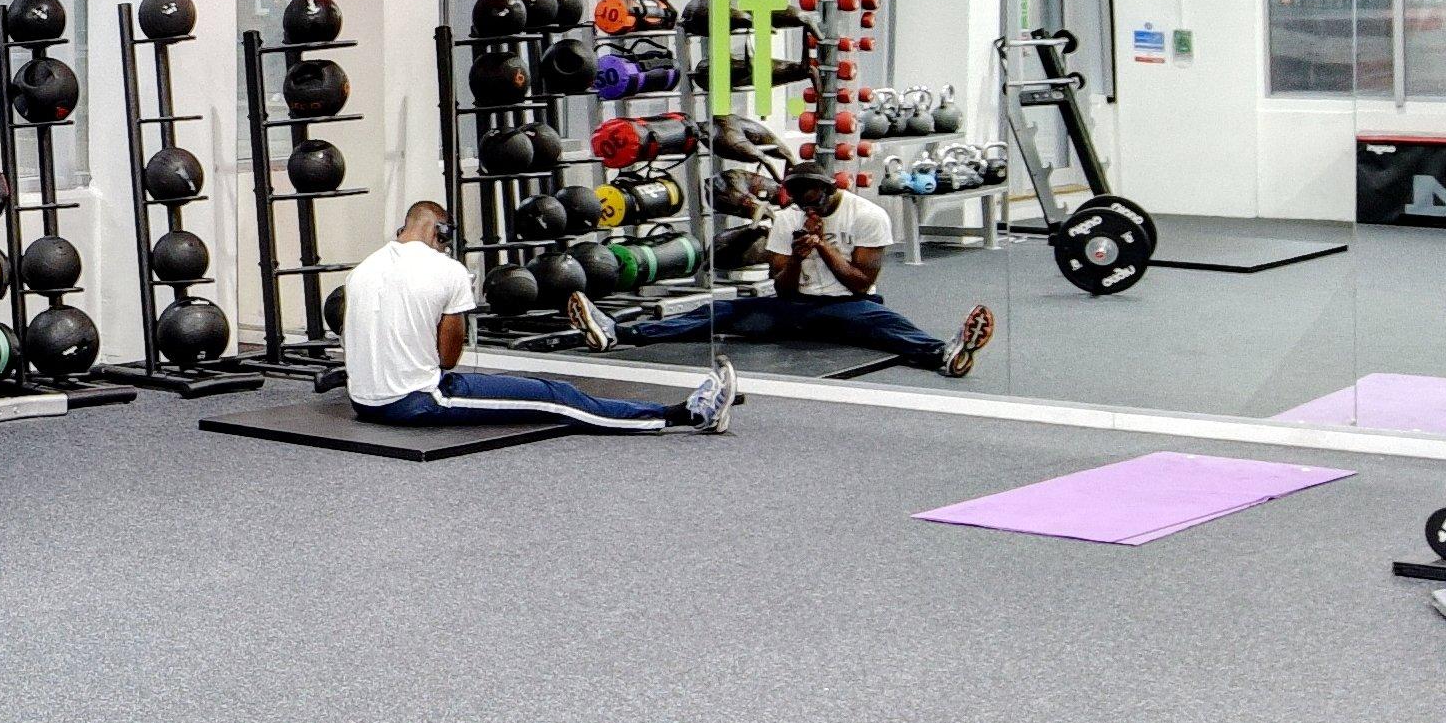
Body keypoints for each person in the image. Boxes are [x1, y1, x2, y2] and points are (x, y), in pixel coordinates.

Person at [340, 198, 733, 433]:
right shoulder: (448, 270)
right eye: (445, 240)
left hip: (364, 400)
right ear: (438, 233)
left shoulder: (362, 269)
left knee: (528, 389)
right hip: (417, 400)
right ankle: (685, 416)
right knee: (554, 396)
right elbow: (447, 359)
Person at [614, 145, 998, 380]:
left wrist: (822, 246)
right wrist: (798, 257)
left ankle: (944, 353)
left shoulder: (868, 216)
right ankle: (625, 334)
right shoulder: (788, 218)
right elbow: (782, 287)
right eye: (798, 201)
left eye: (810, 199)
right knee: (720, 311)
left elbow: (860, 284)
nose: (804, 207)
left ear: (828, 190)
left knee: (885, 325)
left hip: (848, 305)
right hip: (794, 307)